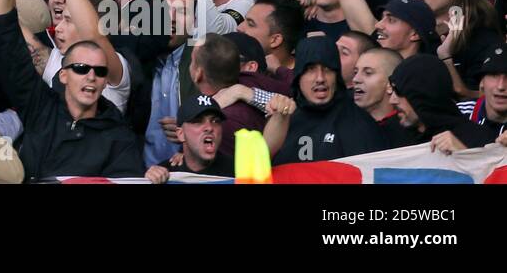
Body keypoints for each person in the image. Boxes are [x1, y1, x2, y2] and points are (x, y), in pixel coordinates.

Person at [0, 0, 143, 180]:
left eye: (99, 71)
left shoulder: (117, 73)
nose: (90, 76)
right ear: (63, 74)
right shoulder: (44, 102)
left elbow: (94, 34)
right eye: (79, 68)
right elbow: (7, 45)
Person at [265, 35, 390, 164]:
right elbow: (256, 166)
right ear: (298, 76)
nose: (320, 78)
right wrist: (278, 120)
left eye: (328, 69)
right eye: (310, 69)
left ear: (337, 75)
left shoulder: (359, 124)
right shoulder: (283, 116)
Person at [146, 94, 236, 182]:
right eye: (198, 121)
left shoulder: (238, 170)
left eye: (215, 121)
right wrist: (150, 179)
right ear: (181, 134)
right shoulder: (165, 174)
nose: (209, 127)